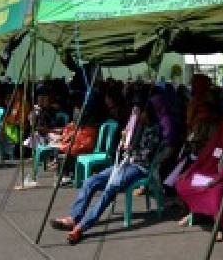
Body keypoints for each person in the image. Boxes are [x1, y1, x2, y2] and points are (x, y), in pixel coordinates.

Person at [51, 101, 162, 244]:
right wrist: (124, 140)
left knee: (110, 188)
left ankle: (81, 227)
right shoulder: (135, 126)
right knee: (91, 181)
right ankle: (73, 217)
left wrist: (129, 148)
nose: (135, 114)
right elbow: (122, 148)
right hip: (123, 163)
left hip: (138, 167)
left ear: (146, 112)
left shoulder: (153, 129)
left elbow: (145, 155)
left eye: (138, 112)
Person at [176, 109, 223, 239]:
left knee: (216, 192)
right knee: (182, 182)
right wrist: (188, 171)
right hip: (206, 173)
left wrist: (217, 179)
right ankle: (195, 213)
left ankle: (222, 225)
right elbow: (203, 157)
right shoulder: (217, 137)